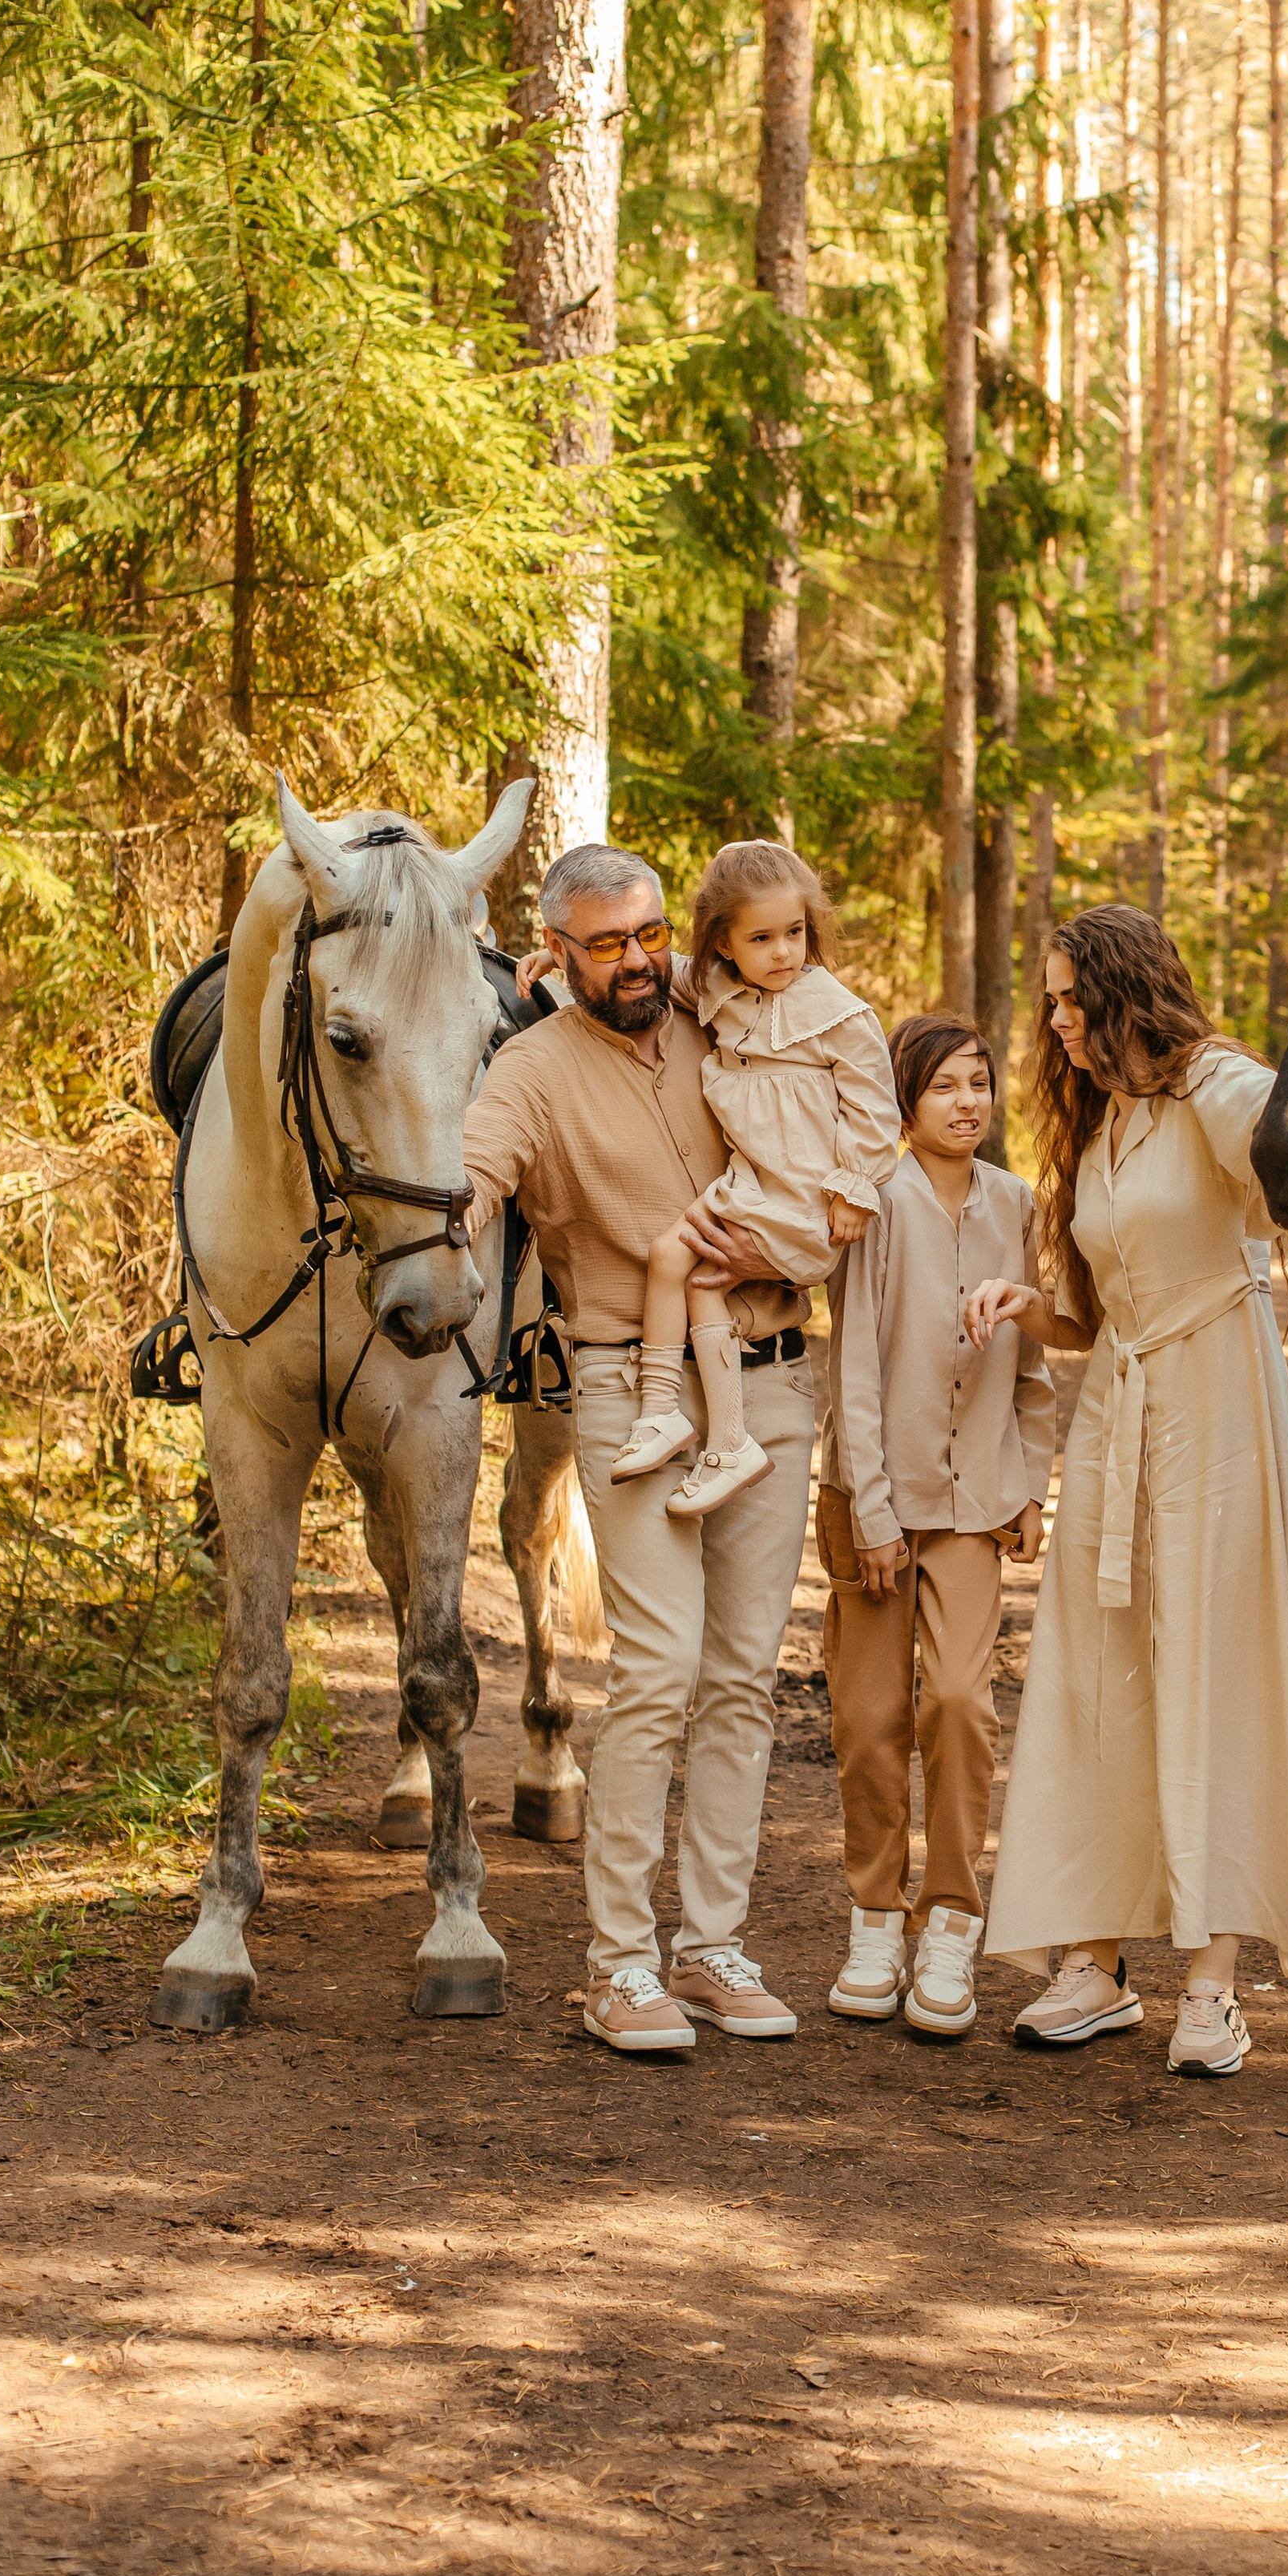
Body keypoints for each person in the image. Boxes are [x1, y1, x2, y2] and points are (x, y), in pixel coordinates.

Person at [963, 905, 1288, 2081]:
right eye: (1050, 1002)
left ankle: (1212, 1982)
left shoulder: (1220, 1090)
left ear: (1130, 992)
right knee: (1098, 1672)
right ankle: (1091, 1962)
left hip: (1220, 1413)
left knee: (1212, 1667)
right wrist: (1023, 1305)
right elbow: (1093, 1318)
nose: (1059, 1022)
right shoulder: (1099, 1128)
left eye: (1074, 1000)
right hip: (1121, 1415)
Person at [462, 843, 825, 2058]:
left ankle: (711, 1944)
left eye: (652, 933)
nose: (637, 961)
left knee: (741, 1679)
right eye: (607, 943)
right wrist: (448, 1218)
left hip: (774, 1387)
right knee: (660, 1672)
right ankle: (620, 1966)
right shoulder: (530, 1067)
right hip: (631, 1393)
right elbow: (477, 1167)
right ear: (555, 952)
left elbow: (835, 1045)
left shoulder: (729, 1015)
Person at [520, 840, 898, 1519]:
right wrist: (568, 959)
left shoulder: (837, 1011)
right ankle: (670, 1415)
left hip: (806, 1200)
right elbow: (649, 968)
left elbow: (876, 1107)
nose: (783, 952)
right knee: (675, 1259)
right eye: (762, 938)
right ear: (724, 943)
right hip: (751, 1188)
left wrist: (854, 1187)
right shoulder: (716, 989)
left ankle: (719, 1438)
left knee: (696, 1277)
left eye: (795, 933)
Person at [817, 1014, 1056, 2038]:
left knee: (960, 1703)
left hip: (975, 1505)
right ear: (906, 1101)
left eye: (980, 1084)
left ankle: (951, 1920)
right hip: (873, 1500)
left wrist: (1029, 1480)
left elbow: (1035, 1362)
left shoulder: (1018, 1205)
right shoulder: (876, 1204)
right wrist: (871, 1511)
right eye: (945, 1087)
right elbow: (854, 1367)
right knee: (868, 1723)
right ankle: (876, 1916)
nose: (967, 1103)